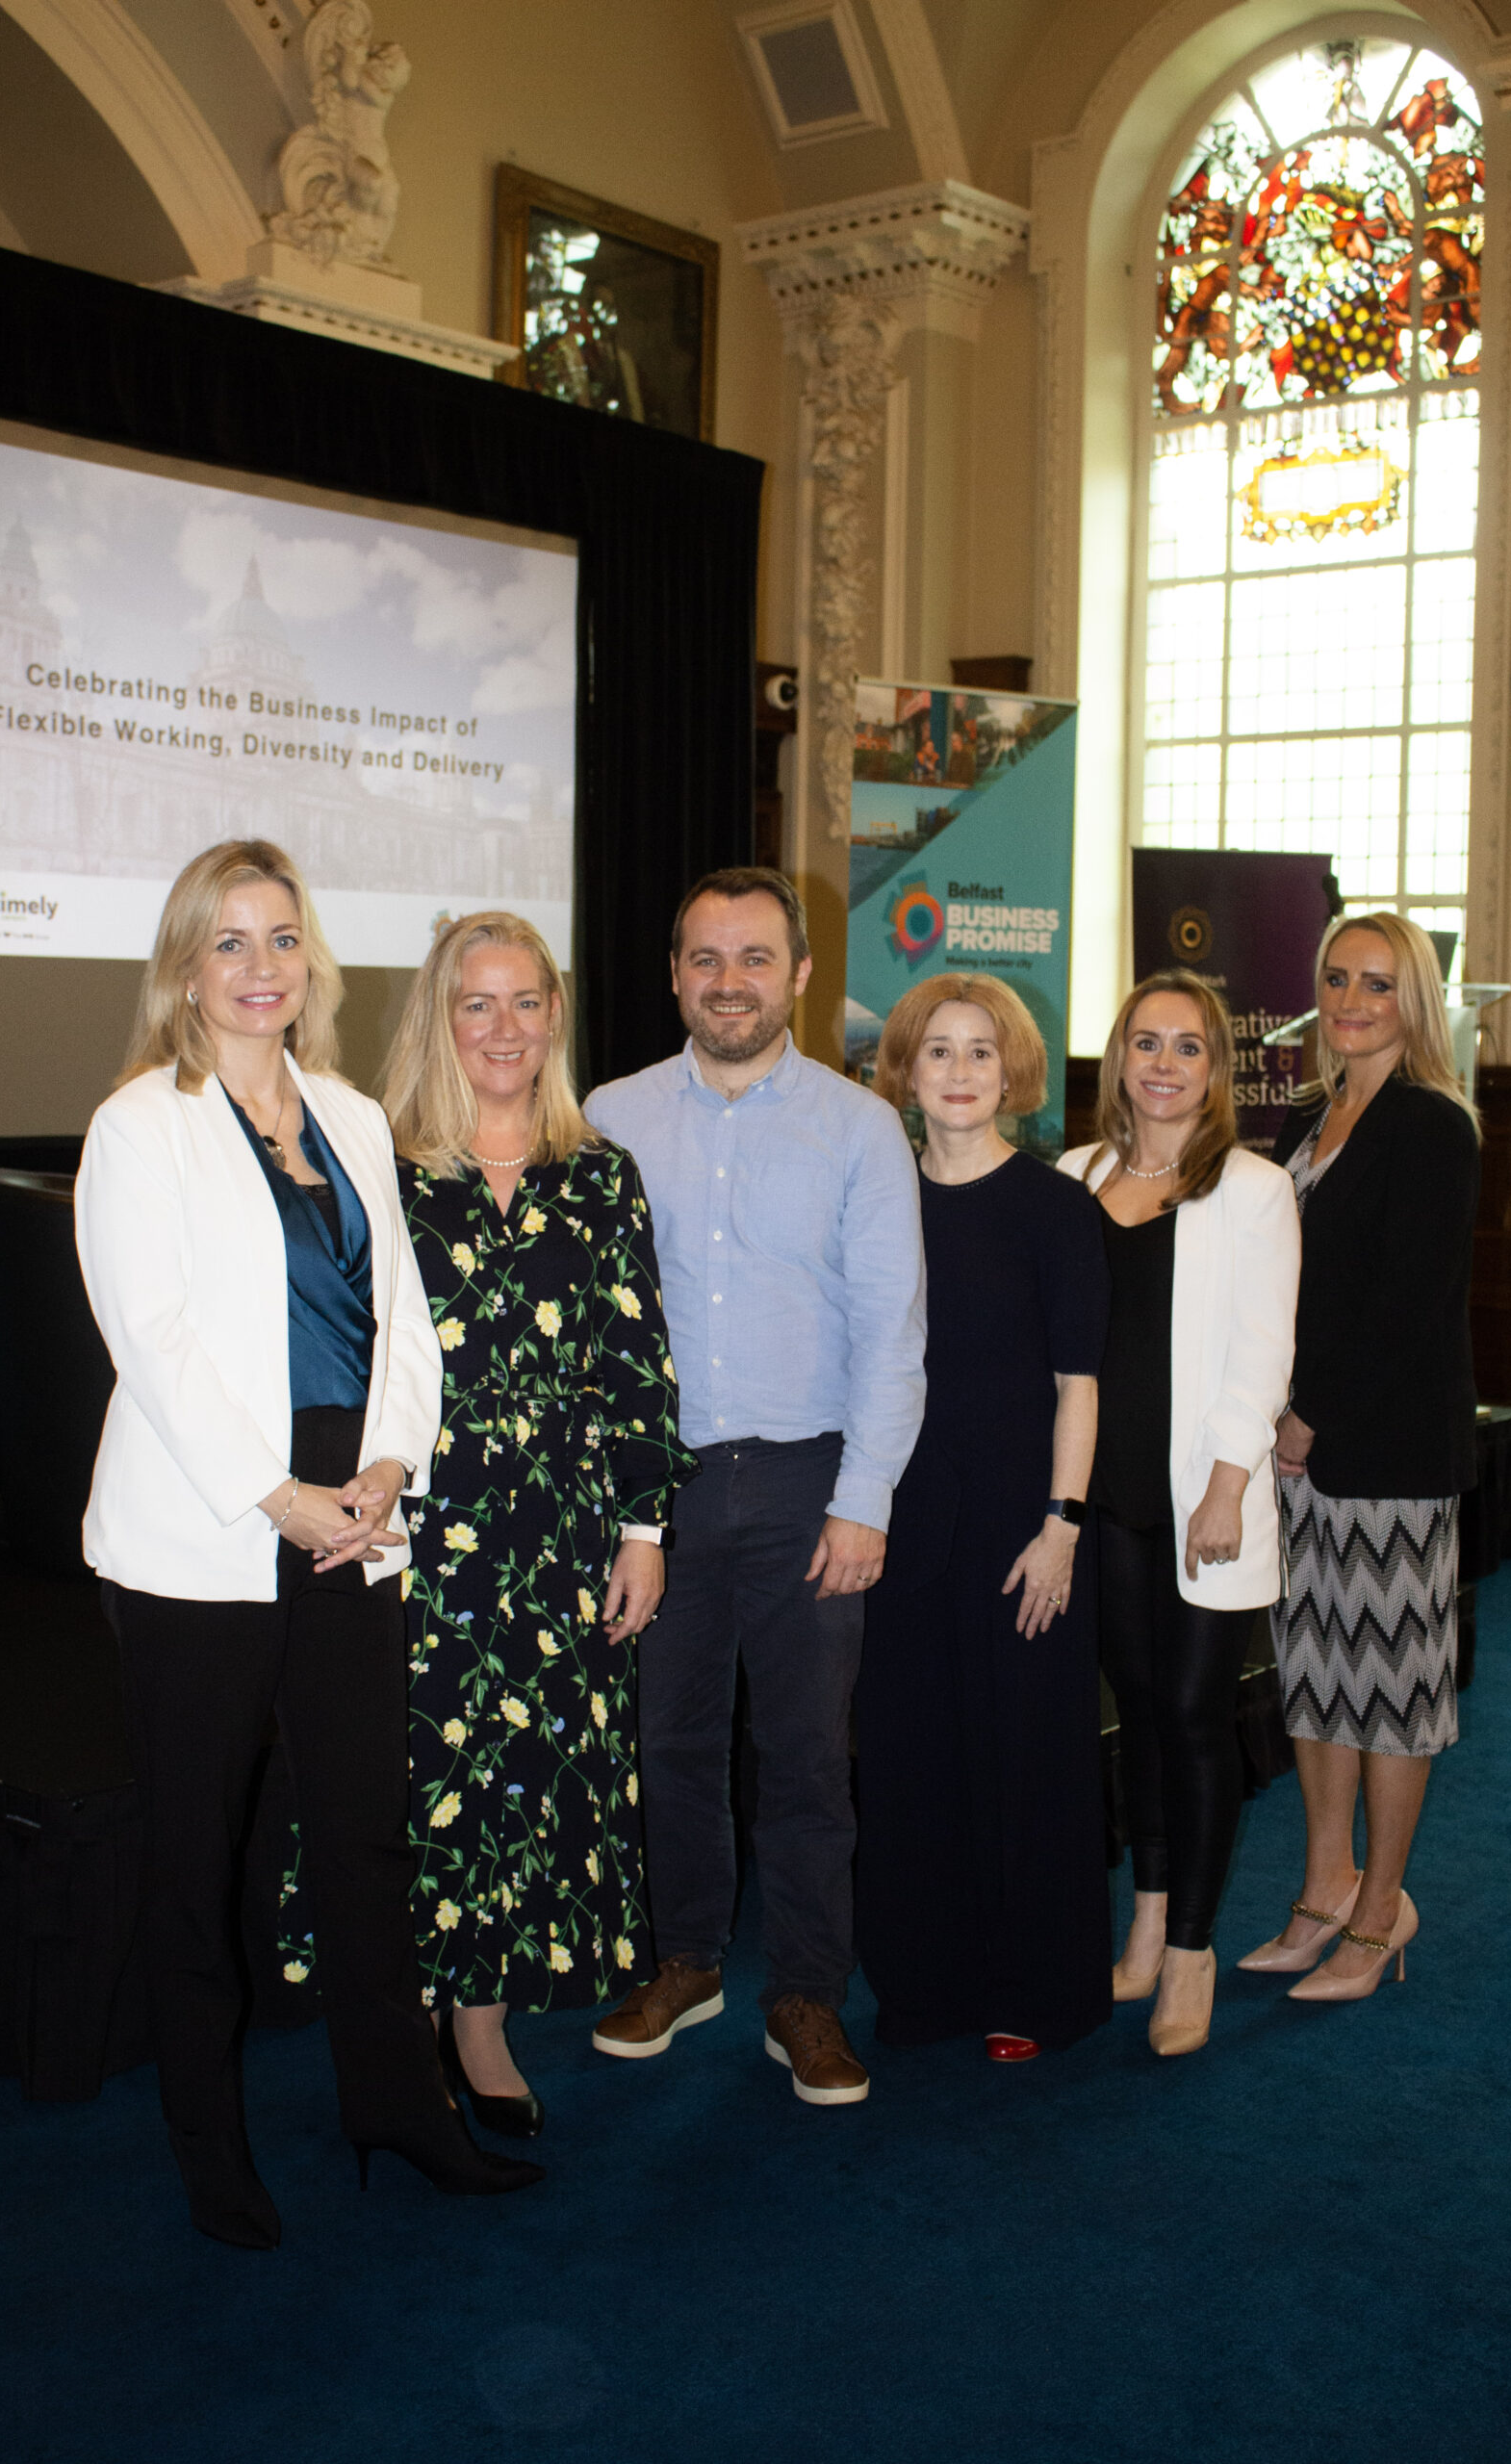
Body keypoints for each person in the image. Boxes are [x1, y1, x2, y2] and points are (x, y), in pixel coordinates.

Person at [75, 840, 540, 2250]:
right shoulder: (139, 1125)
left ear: (311, 963)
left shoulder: (344, 1111)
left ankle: (392, 2106)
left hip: (357, 1519)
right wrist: (281, 1497)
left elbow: (403, 1316)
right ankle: (209, 2147)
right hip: (205, 1535)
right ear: (183, 966)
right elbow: (146, 1339)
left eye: (282, 940)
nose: (260, 967)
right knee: (199, 1856)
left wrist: (389, 1468)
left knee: (363, 1838)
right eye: (229, 943)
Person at [584, 866, 925, 2106]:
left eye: (754, 958)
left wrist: (865, 1498)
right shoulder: (609, 1115)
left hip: (807, 1486)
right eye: (706, 959)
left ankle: (806, 1993)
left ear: (799, 974)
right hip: (656, 1498)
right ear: (675, 972)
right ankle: (686, 1959)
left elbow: (894, 1329)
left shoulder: (858, 1126)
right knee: (667, 1741)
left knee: (804, 1758)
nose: (730, 982)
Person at [380, 911, 696, 2133]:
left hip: (563, 1536)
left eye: (525, 1002)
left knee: (525, 1776)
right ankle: (398, 2007)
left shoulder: (600, 1172)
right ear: (439, 1018)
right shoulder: (381, 1167)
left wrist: (642, 1530)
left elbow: (637, 1364)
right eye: (476, 1003)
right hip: (421, 1527)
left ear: (554, 1017)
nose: (502, 1027)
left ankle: (482, 2018)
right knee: (415, 1773)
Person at [854, 976, 1112, 2062]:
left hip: (1023, 1522)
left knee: (1026, 1755)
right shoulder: (875, 1198)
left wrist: (1061, 1526)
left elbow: (1080, 1383)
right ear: (905, 1071)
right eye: (938, 1052)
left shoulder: (1055, 1206)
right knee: (912, 1754)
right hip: (904, 1518)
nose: (959, 1072)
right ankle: (926, 1983)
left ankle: (1037, 1990)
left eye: (980, 1052)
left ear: (1013, 1071)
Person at [1241, 912, 1479, 2000]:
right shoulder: (1310, 1112)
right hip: (1304, 1453)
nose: (1352, 999)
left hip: (1384, 1449)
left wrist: (1310, 1414)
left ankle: (1384, 1909)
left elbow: (1404, 1301)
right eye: (1336, 977)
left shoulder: (1433, 1123)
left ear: (1414, 999)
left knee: (1389, 1687)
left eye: (1378, 982)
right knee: (1315, 1675)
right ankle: (1323, 1886)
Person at [1061, 971, 1298, 2057]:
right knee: (1141, 1714)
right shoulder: (1073, 1176)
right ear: (1119, 1060)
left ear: (1216, 1068)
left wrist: (1228, 1483)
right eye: (1145, 1042)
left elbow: (1263, 1347)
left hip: (1206, 1497)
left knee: (1197, 1720)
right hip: (1101, 1497)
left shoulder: (1253, 1188)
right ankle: (1149, 1917)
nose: (1163, 1063)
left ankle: (1194, 1950)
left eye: (1188, 1046)